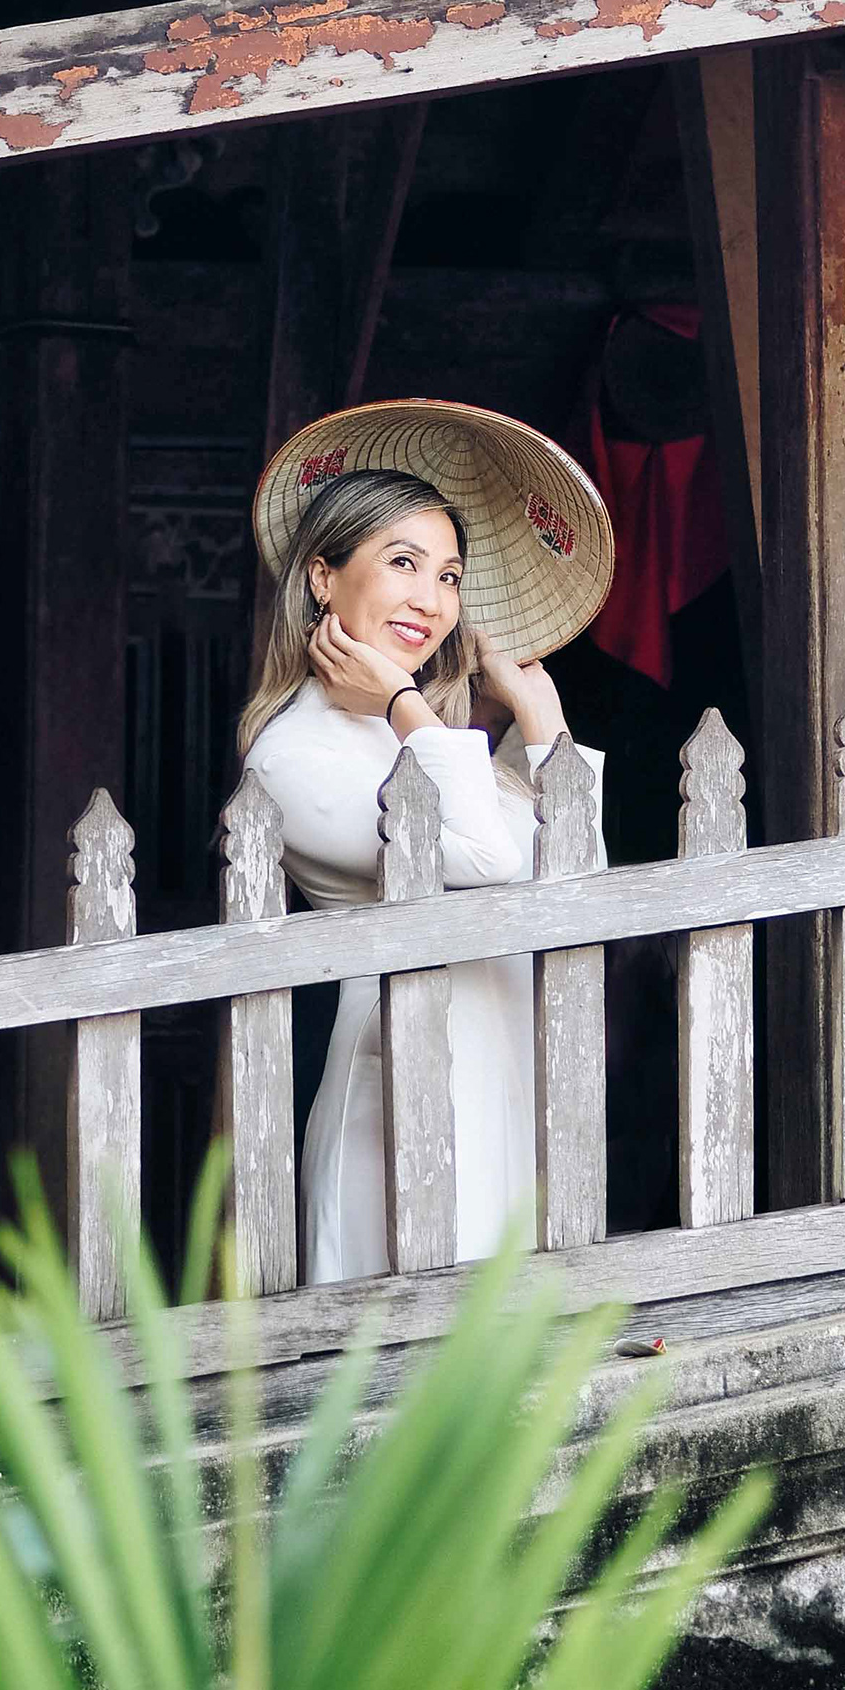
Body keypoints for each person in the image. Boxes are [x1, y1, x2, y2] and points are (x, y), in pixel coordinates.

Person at [239, 402, 615, 1285]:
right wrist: (408, 700)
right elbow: (485, 863)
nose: (431, 598)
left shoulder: (435, 739)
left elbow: (581, 877)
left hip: (507, 1077)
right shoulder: (291, 752)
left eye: (448, 576)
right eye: (401, 563)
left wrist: (541, 713)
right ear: (324, 579)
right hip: (401, 1087)